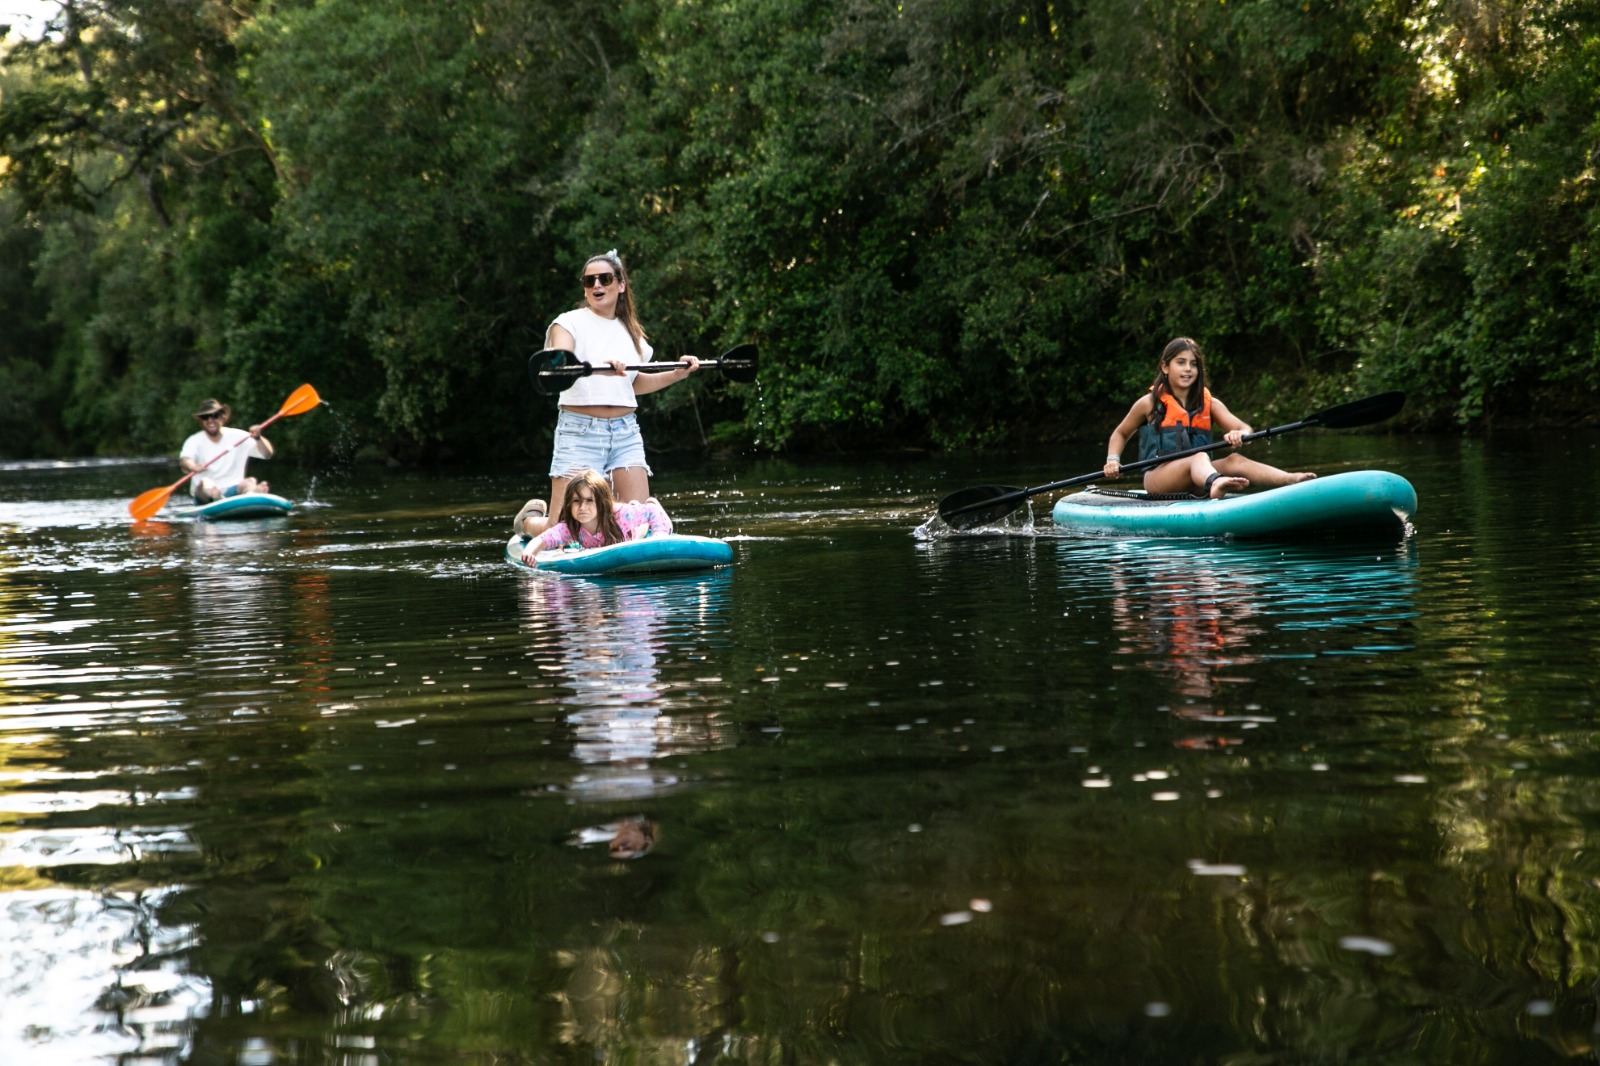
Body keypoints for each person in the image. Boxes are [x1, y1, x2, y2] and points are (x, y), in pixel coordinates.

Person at [512, 249, 698, 537]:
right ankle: (527, 522)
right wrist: (599, 367)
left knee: (635, 521)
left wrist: (677, 374)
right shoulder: (568, 322)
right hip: (579, 430)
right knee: (565, 528)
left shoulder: (634, 335)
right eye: (590, 281)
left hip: (626, 432)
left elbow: (631, 384)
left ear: (621, 284)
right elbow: (560, 363)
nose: (597, 285)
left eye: (605, 278)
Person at [1102, 337, 1316, 499]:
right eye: (1181, 362)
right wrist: (1113, 460)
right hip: (1160, 478)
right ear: (1165, 367)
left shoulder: (1210, 404)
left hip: (1198, 475)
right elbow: (1121, 433)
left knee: (1234, 460)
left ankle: (1290, 479)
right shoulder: (1149, 403)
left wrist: (1238, 433)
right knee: (1199, 457)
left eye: (1193, 364)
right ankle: (1216, 484)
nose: (1188, 369)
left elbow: (1245, 427)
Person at [520, 469, 674, 561]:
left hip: (630, 526)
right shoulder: (570, 527)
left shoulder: (621, 515)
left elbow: (652, 514)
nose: (582, 508)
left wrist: (659, 538)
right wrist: (529, 553)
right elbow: (543, 539)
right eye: (576, 501)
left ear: (601, 502)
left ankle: (652, 502)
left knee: (643, 527)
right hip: (618, 534)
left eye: (589, 501)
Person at [179, 399, 273, 502]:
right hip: (205, 495)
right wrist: (193, 466)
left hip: (233, 491)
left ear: (222, 417)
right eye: (205, 417)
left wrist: (258, 438)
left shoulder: (239, 436)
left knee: (250, 481)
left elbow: (267, 454)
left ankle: (250, 494)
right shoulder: (194, 441)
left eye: (214, 415)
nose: (210, 420)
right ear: (201, 421)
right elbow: (185, 460)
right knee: (205, 483)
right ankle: (217, 497)